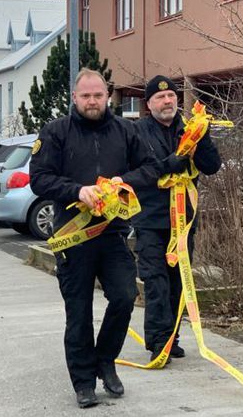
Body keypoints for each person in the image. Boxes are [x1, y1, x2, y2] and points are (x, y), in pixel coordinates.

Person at [30, 68, 159, 408]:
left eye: (98, 95)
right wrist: (77, 190)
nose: (92, 101)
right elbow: (40, 179)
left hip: (113, 234)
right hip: (73, 238)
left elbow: (150, 169)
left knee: (124, 296)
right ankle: (84, 382)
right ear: (74, 97)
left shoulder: (125, 131)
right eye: (85, 96)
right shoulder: (56, 132)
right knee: (79, 313)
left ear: (107, 96)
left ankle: (106, 360)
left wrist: (121, 183)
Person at [133, 75, 221, 363]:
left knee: (177, 282)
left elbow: (211, 167)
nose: (167, 101)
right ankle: (158, 343)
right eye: (160, 97)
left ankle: (171, 337)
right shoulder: (137, 133)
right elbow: (133, 173)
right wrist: (166, 166)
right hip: (151, 222)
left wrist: (203, 138)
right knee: (155, 281)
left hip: (184, 223)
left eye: (171, 95)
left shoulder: (190, 128)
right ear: (149, 104)